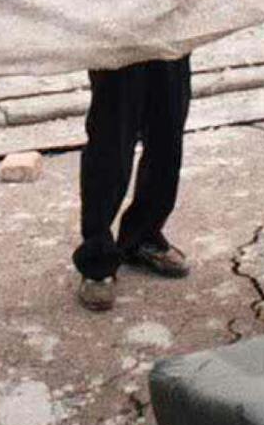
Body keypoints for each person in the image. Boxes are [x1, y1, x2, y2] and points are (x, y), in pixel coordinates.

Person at [73, 57, 192, 312]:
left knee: (168, 129)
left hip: (168, 29)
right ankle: (97, 260)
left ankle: (142, 237)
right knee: (111, 140)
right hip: (117, 34)